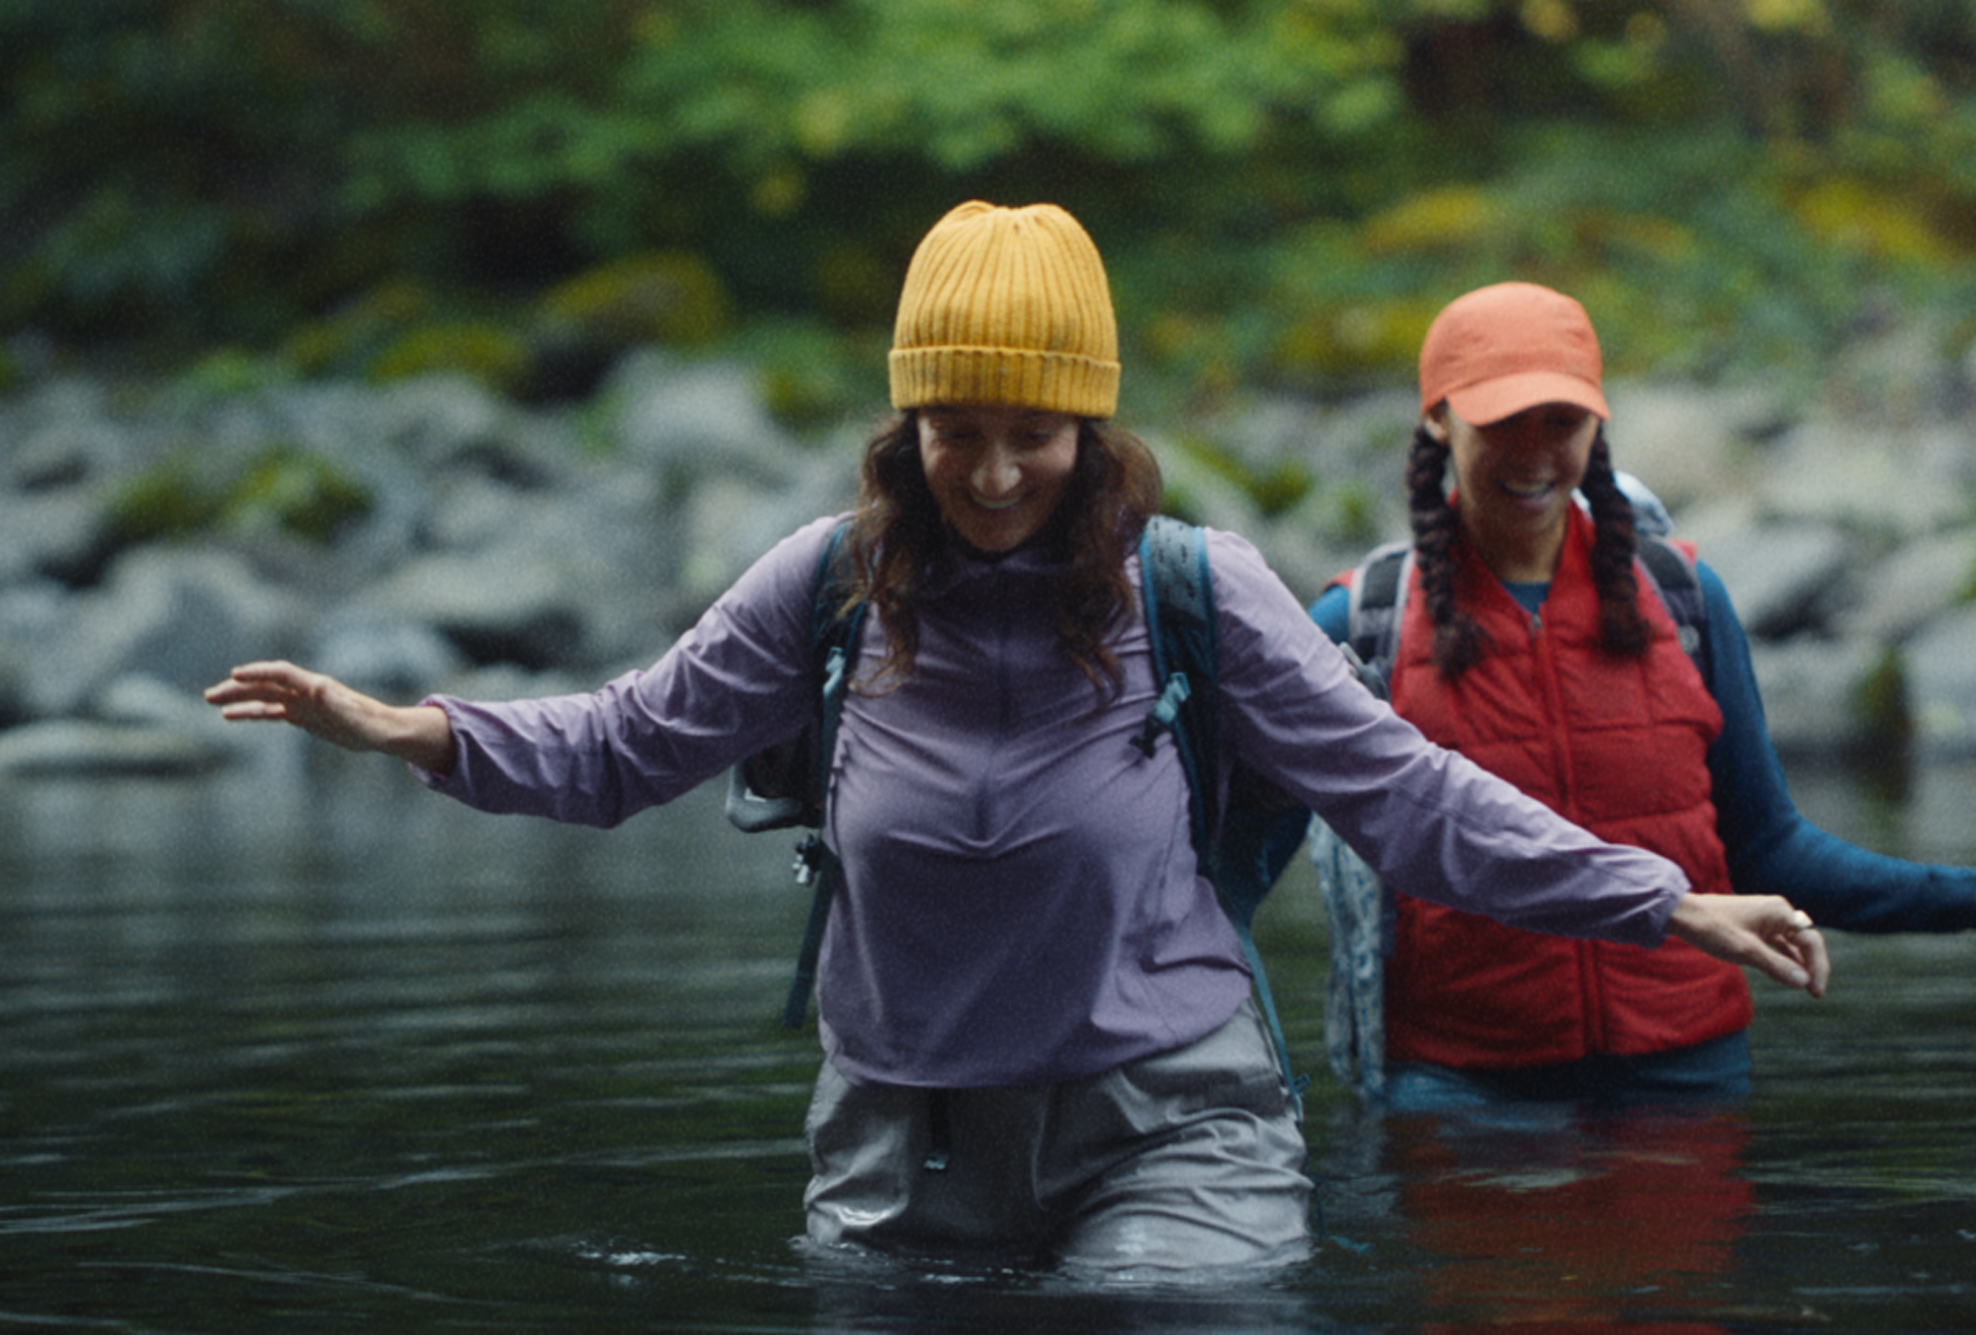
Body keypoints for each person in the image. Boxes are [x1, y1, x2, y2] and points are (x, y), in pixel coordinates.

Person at [206, 204, 1829, 1276]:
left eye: (1032, 435)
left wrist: (1658, 900)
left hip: (1169, 1131)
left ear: (1092, 429)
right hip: (898, 1153)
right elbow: (633, 744)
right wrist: (402, 727)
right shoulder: (828, 584)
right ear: (907, 426)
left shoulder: (1193, 587)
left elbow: (1403, 796)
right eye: (955, 433)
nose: (991, 475)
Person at [1308, 279, 1976, 1113]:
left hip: (1685, 1076)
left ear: (1598, 423)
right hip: (1462, 1088)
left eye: (1563, 421)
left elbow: (1765, 849)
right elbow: (1240, 851)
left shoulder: (1682, 600)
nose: (1535, 451)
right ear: (1438, 420)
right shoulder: (1364, 625)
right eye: (1501, 422)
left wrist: (1964, 894)